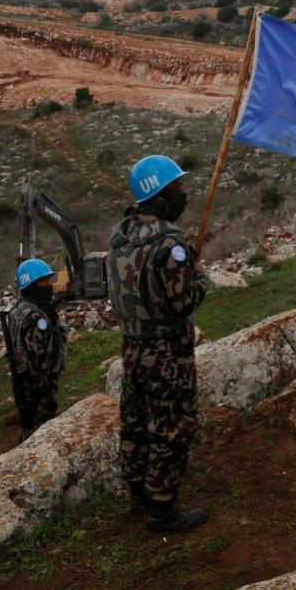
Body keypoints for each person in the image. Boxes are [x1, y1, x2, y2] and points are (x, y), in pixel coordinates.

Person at [107, 154, 208, 533]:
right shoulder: (170, 242)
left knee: (134, 421)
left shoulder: (120, 235)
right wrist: (198, 276)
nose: (184, 193)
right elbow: (183, 301)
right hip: (168, 353)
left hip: (132, 347)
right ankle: (162, 511)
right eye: (178, 187)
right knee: (171, 425)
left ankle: (138, 495)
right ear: (160, 193)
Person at [2, 258, 68, 441]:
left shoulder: (18, 311)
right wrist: (45, 387)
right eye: (43, 281)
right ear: (31, 285)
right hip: (38, 387)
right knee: (42, 433)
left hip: (23, 382)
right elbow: (39, 359)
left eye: (48, 280)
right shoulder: (36, 316)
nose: (48, 285)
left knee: (30, 426)